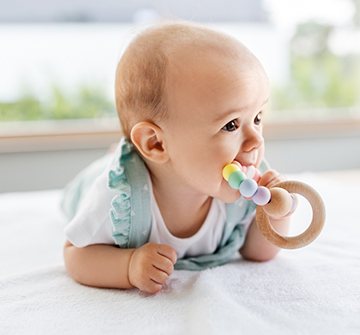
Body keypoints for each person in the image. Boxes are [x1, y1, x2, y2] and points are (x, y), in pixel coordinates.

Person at [62, 22, 290, 294]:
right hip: (90, 185)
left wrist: (276, 215)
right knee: (87, 184)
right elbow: (75, 254)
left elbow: (257, 251)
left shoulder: (243, 184)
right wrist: (129, 265)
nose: (256, 141)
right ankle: (115, 155)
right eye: (231, 125)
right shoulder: (118, 197)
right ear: (156, 143)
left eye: (257, 118)